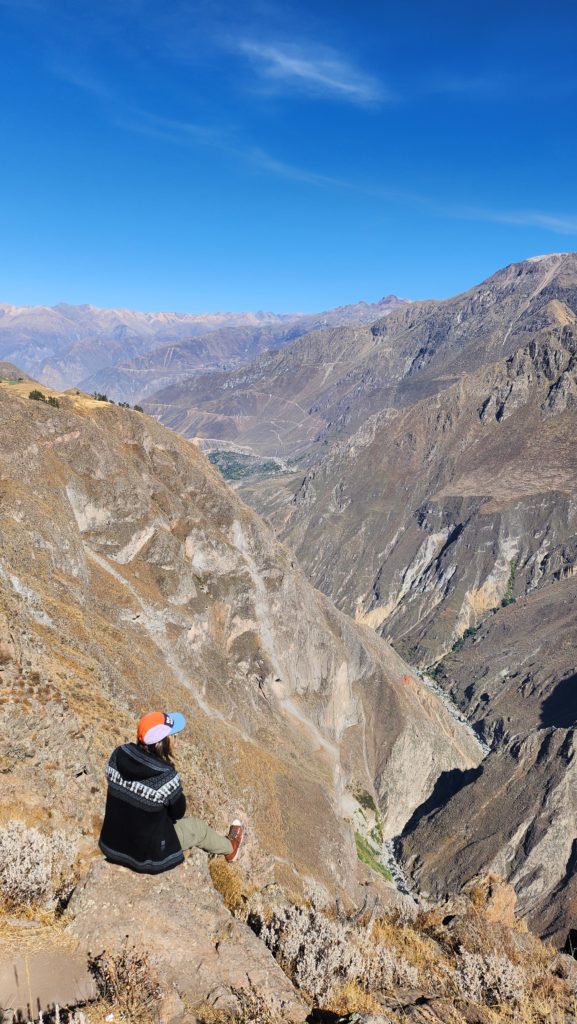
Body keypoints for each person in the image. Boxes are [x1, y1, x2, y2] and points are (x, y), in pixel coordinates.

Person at [98, 710, 243, 873]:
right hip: (146, 856)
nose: (177, 742)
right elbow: (178, 813)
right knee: (198, 828)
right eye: (174, 737)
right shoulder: (165, 776)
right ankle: (231, 848)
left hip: (112, 844)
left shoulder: (118, 754)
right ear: (162, 743)